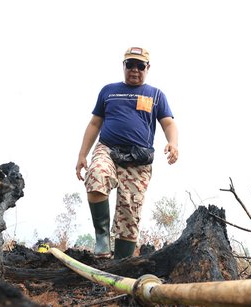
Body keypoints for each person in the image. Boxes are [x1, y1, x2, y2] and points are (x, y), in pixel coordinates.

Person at [75, 47, 179, 260]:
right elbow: (95, 123)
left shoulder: (156, 95)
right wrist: (82, 155)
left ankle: (121, 264)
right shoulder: (108, 91)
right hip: (108, 149)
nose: (134, 69)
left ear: (147, 68)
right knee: (96, 176)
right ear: (123, 66)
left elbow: (169, 123)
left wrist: (173, 143)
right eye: (130, 64)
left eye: (140, 65)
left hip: (138, 160)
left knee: (129, 213)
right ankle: (102, 238)